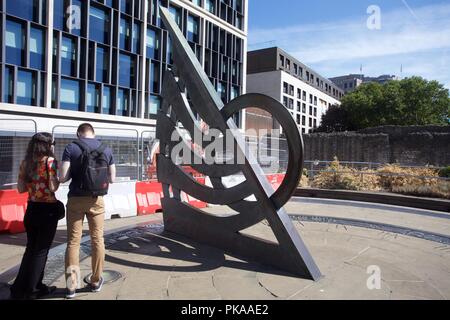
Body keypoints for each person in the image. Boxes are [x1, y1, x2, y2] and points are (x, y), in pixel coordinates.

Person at [59, 123, 115, 299]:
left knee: (73, 242)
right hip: (97, 200)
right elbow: (112, 178)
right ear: (93, 133)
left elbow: (63, 177)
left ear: (78, 134)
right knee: (98, 239)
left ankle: (71, 287)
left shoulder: (71, 147)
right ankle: (96, 280)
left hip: (75, 199)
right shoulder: (106, 149)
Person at [10, 133, 60, 300]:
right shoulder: (50, 162)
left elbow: (21, 188)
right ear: (48, 145)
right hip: (47, 210)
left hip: (31, 210)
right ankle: (34, 288)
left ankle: (19, 286)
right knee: (41, 251)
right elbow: (53, 187)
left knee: (30, 249)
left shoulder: (26, 163)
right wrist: (56, 179)